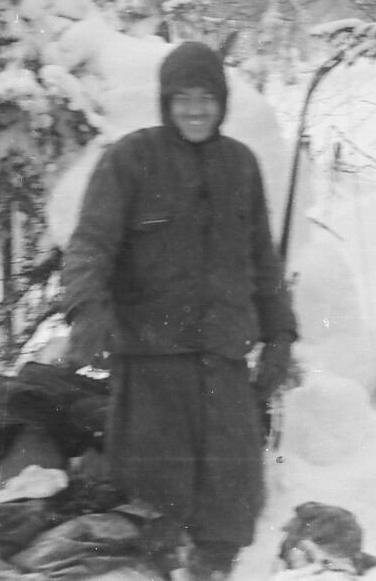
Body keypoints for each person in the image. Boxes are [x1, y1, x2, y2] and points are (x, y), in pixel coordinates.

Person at [60, 40, 298, 580]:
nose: (195, 109)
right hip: (152, 369)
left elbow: (263, 260)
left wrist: (280, 333)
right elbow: (90, 245)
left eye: (207, 98)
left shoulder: (241, 164)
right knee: (153, 510)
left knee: (230, 507)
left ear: (223, 102)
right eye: (183, 98)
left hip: (223, 366)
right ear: (165, 101)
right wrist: (87, 309)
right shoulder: (130, 160)